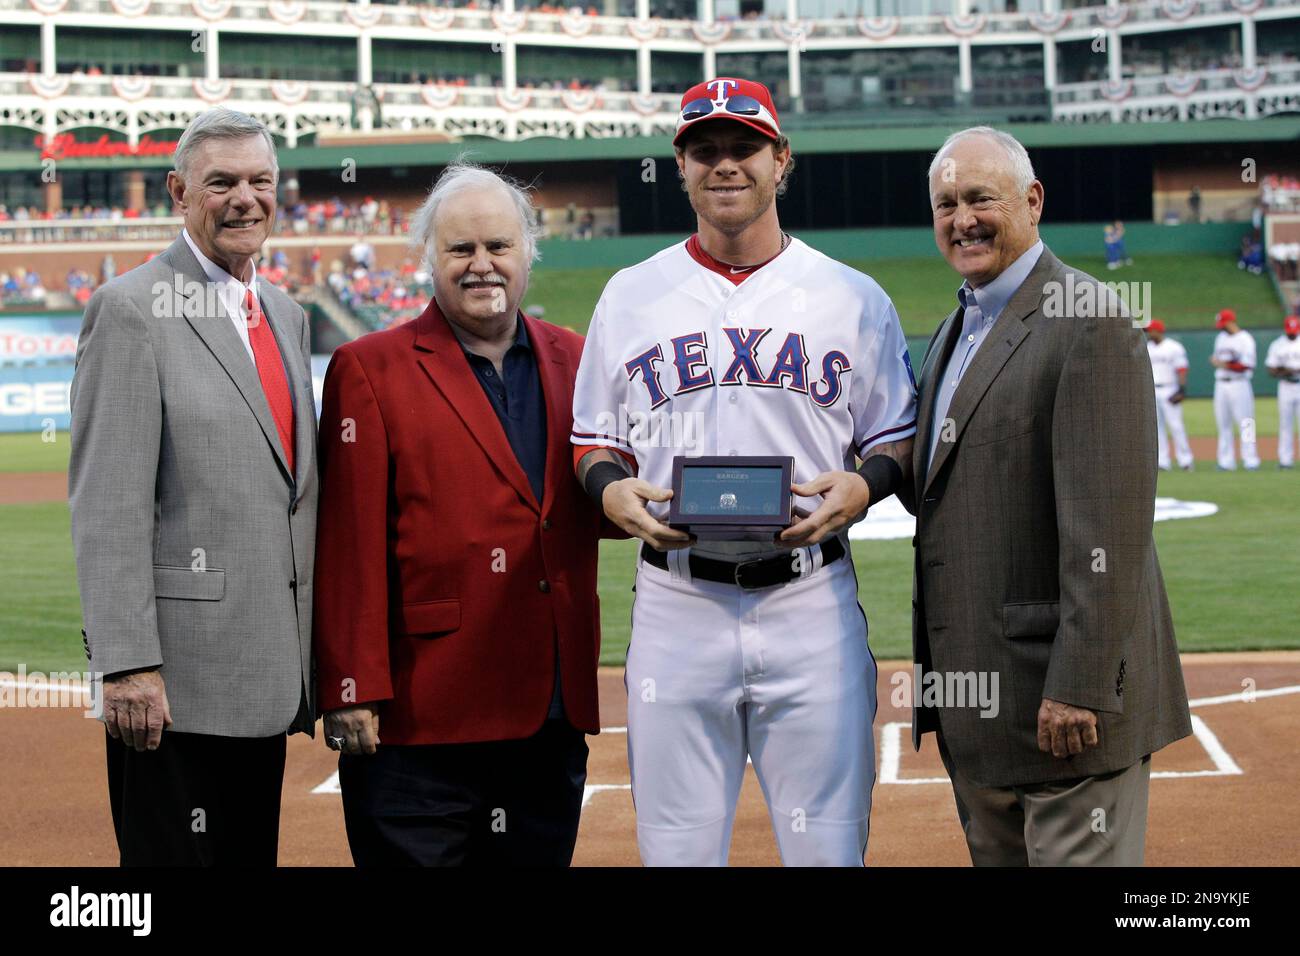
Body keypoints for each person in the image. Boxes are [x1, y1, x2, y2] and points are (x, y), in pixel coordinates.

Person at [571, 77, 917, 866]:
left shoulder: (854, 298)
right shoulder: (629, 296)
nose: (725, 165)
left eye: (744, 147)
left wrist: (864, 485)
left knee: (828, 853)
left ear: (781, 159)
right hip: (675, 604)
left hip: (811, 604)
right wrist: (609, 489)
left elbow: (897, 439)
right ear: (681, 167)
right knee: (677, 853)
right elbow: (592, 443)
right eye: (705, 150)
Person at [903, 126, 1191, 866]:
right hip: (982, 715)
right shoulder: (954, 328)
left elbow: (1112, 531)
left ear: (1032, 201)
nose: (961, 218)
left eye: (980, 198)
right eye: (945, 203)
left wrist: (1082, 686)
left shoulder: (1088, 317)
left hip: (1061, 714)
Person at [313, 163, 605, 867]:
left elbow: (607, 500)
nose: (482, 266)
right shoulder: (368, 368)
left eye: (499, 247)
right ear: (429, 261)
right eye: (460, 250)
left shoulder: (578, 358)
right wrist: (350, 685)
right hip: (421, 719)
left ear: (528, 250)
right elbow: (347, 544)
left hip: (549, 713)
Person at [68, 108, 318, 866]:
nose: (245, 198)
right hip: (175, 687)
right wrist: (127, 661)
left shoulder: (285, 313)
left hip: (266, 675)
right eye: (221, 183)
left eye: (259, 181)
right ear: (180, 191)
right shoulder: (130, 309)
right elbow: (108, 504)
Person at [1211, 308, 1260, 470]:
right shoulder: (1221, 338)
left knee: (1246, 422)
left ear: (1231, 321)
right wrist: (1222, 364)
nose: (1222, 327)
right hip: (1221, 384)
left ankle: (1250, 460)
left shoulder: (1245, 339)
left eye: (1223, 324)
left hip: (1240, 384)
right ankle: (1226, 461)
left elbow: (1247, 365)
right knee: (1223, 423)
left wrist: (1224, 364)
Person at [1145, 319, 1194, 471]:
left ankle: (1185, 461)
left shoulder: (1174, 347)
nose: (1148, 333)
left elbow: (1182, 369)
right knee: (1157, 428)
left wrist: (1181, 390)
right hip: (1152, 390)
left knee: (1176, 426)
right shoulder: (1147, 347)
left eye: (1150, 330)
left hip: (1169, 389)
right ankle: (1163, 462)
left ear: (1158, 330)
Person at [1265, 315, 1300, 469]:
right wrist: (1286, 371)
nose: (1292, 333)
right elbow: (1271, 369)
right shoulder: (1277, 344)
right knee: (1285, 424)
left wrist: (1286, 369)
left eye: (1294, 330)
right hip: (1285, 386)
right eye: (1289, 330)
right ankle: (1285, 460)